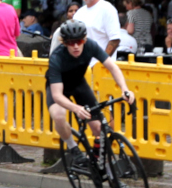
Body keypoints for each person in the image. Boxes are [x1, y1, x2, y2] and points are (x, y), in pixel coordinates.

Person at [47, 20, 134, 167]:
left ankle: (96, 161)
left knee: (99, 128)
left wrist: (125, 89)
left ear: (84, 39)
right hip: (59, 87)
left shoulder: (90, 46)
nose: (75, 46)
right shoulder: (56, 57)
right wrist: (76, 108)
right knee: (58, 116)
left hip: (79, 84)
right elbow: (57, 95)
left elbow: (112, 67)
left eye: (79, 41)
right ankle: (73, 148)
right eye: (70, 42)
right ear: (64, 43)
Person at [72, 0, 120, 64]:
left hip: (102, 71)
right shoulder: (78, 13)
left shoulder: (107, 9)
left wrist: (100, 64)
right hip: (82, 69)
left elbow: (115, 40)